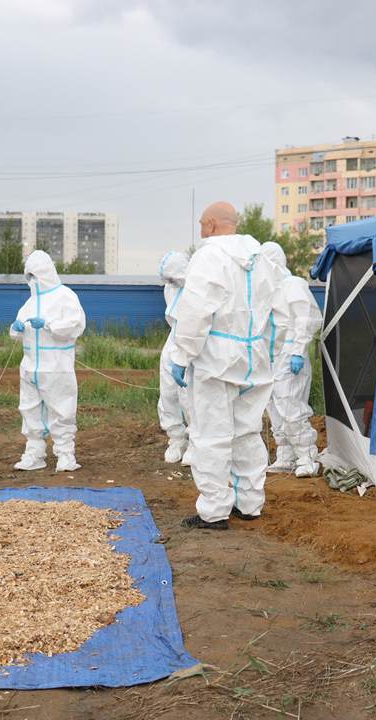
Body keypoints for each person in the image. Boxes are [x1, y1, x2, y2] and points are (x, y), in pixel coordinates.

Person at [168, 201, 288, 530]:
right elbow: (280, 314)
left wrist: (181, 355)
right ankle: (250, 503)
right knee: (247, 432)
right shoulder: (262, 258)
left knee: (211, 435)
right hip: (255, 358)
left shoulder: (208, 257)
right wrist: (271, 352)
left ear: (210, 225)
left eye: (201, 225)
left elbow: (195, 312)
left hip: (216, 358)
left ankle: (214, 510)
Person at [10, 250, 87, 472]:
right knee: (30, 409)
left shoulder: (65, 296)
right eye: (29, 276)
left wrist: (48, 324)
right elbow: (16, 327)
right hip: (30, 366)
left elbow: (75, 325)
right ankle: (34, 454)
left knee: (61, 409)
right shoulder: (30, 302)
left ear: (45, 273)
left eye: (35, 275)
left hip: (55, 365)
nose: (32, 280)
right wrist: (15, 329)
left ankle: (65, 455)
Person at [263, 243, 323, 478]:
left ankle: (308, 456)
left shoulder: (292, 284)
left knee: (290, 406)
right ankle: (286, 456)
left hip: (290, 355)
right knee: (275, 408)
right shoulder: (269, 291)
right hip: (272, 358)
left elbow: (306, 317)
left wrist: (298, 349)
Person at [157, 250, 192, 464]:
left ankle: (196, 441)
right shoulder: (170, 289)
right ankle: (176, 438)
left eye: (172, 277)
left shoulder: (197, 289)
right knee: (168, 393)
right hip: (173, 341)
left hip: (190, 340)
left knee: (189, 395)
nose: (170, 282)